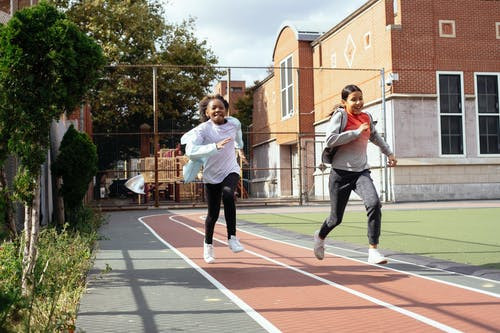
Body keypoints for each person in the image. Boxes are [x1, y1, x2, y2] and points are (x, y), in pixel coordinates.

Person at [314, 84, 397, 264]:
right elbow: (330, 140)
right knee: (335, 219)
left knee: (374, 204)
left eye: (360, 98)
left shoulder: (367, 117)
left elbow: (375, 137)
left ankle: (373, 250)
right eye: (354, 99)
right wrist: (355, 132)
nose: (359, 102)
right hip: (340, 174)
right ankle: (320, 237)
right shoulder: (341, 116)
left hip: (361, 172)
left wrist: (389, 153)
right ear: (344, 102)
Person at [180, 94, 246, 264]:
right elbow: (190, 150)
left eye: (221, 107)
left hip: (230, 169)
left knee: (229, 193)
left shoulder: (234, 123)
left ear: (226, 110)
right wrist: (214, 146)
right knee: (213, 215)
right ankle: (208, 245)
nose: (218, 110)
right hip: (211, 176)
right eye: (213, 108)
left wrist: (240, 150)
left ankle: (232, 237)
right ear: (207, 112)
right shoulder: (203, 130)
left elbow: (238, 137)